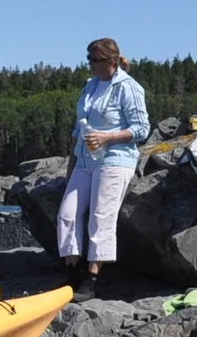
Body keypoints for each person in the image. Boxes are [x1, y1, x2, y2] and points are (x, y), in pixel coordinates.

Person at [56, 38, 150, 295]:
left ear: (110, 62)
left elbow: (142, 129)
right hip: (85, 160)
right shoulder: (90, 87)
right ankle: (71, 271)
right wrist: (71, 163)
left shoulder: (128, 88)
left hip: (115, 159)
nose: (89, 65)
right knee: (67, 213)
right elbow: (79, 127)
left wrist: (107, 137)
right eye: (88, 59)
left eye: (94, 60)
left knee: (100, 216)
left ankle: (93, 276)